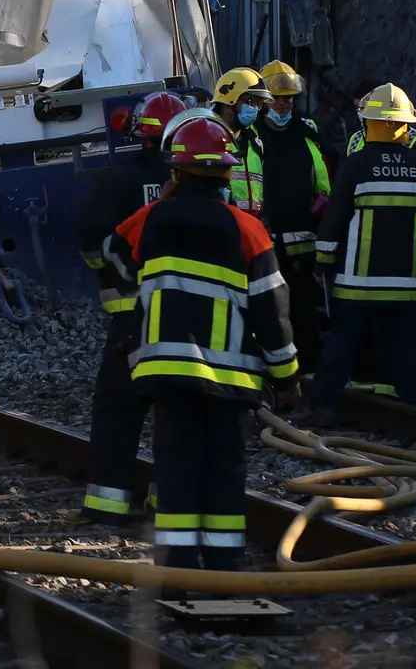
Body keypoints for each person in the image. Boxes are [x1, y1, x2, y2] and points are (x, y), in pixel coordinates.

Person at [128, 113, 298, 572]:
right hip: (226, 381)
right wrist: (287, 378)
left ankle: (178, 570)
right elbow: (273, 311)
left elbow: (119, 258)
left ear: (176, 172)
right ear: (227, 174)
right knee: (224, 470)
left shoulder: (153, 221)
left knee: (176, 470)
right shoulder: (246, 229)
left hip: (166, 374)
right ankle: (225, 569)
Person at [75, 90, 185, 526]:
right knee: (176, 414)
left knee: (119, 412)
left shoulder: (117, 184)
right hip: (185, 321)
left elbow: (89, 243)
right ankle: (166, 502)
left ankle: (107, 504)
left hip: (129, 321)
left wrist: (118, 270)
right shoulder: (200, 190)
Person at [311, 83, 416, 419]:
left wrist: (322, 263)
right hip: (406, 284)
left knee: (341, 345)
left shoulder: (356, 164)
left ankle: (322, 406)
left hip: (358, 283)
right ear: (405, 124)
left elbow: (334, 218)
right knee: (407, 348)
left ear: (370, 122)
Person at [256, 60, 331, 373]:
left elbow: (323, 182)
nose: (285, 103)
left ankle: (308, 366)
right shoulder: (251, 136)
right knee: (269, 309)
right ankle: (274, 369)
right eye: (278, 97)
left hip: (302, 239)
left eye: (289, 98)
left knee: (302, 307)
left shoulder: (307, 132)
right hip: (265, 240)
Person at [208, 68, 269, 214]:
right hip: (222, 227)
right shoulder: (208, 141)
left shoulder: (255, 144)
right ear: (230, 101)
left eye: (257, 104)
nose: (254, 108)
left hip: (251, 225)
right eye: (249, 101)